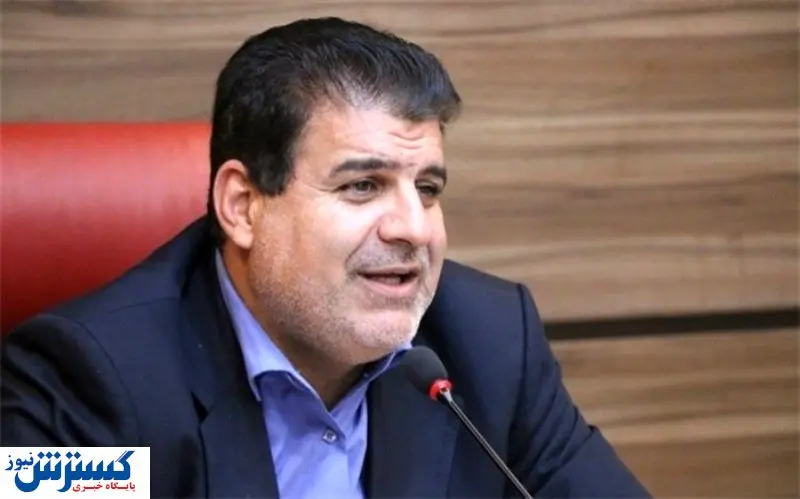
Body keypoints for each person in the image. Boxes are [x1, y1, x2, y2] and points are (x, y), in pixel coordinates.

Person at [1, 17, 650, 498]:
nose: (413, 228)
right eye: (362, 185)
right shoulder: (86, 378)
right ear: (243, 205)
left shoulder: (491, 342)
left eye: (427, 189)